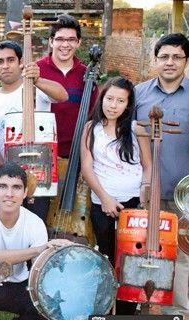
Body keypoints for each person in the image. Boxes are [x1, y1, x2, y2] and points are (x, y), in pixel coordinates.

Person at [0, 163, 72, 320]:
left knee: (49, 308)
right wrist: (39, 249)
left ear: (25, 192)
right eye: (3, 186)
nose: (9, 194)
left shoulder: (35, 222)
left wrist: (59, 255)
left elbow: (40, 269)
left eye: (17, 187)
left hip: (19, 283)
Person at [80, 76, 150, 315]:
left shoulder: (136, 129)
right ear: (102, 99)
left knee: (130, 259)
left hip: (133, 204)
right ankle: (104, 306)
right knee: (108, 255)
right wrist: (105, 197)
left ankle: (126, 310)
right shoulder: (92, 128)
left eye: (120, 101)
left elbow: (147, 166)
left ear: (128, 105)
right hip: (103, 203)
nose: (113, 105)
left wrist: (144, 191)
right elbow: (87, 167)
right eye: (109, 98)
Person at [134, 32, 189, 311]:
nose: (170, 62)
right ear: (156, 59)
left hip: (184, 197)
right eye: (164, 56)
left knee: (181, 257)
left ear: (186, 61)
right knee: (142, 253)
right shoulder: (138, 94)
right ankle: (143, 309)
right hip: (145, 193)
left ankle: (179, 313)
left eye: (176, 57)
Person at [0, 40, 68, 219]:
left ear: (20, 62)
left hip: (39, 175)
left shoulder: (36, 87)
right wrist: (8, 174)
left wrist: (37, 79)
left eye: (11, 60)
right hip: (6, 178)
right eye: (0, 62)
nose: (6, 66)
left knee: (36, 227)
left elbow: (63, 95)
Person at [36, 14, 99, 159]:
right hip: (42, 151)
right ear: (51, 41)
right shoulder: (37, 70)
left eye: (71, 39)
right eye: (60, 39)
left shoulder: (87, 75)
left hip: (76, 153)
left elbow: (92, 115)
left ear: (78, 42)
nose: (65, 45)